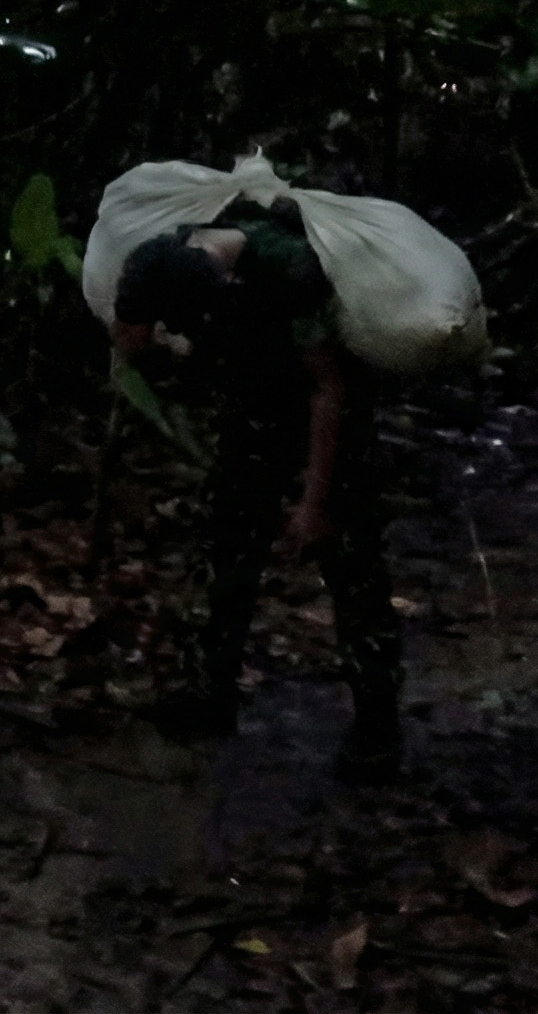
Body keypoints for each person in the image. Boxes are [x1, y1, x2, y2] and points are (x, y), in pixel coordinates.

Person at [107, 197, 402, 781]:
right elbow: (130, 338)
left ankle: (376, 728)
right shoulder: (156, 261)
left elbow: (327, 388)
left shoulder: (290, 272)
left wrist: (311, 504)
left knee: (350, 565)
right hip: (253, 408)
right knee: (225, 546)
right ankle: (208, 692)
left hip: (328, 414)